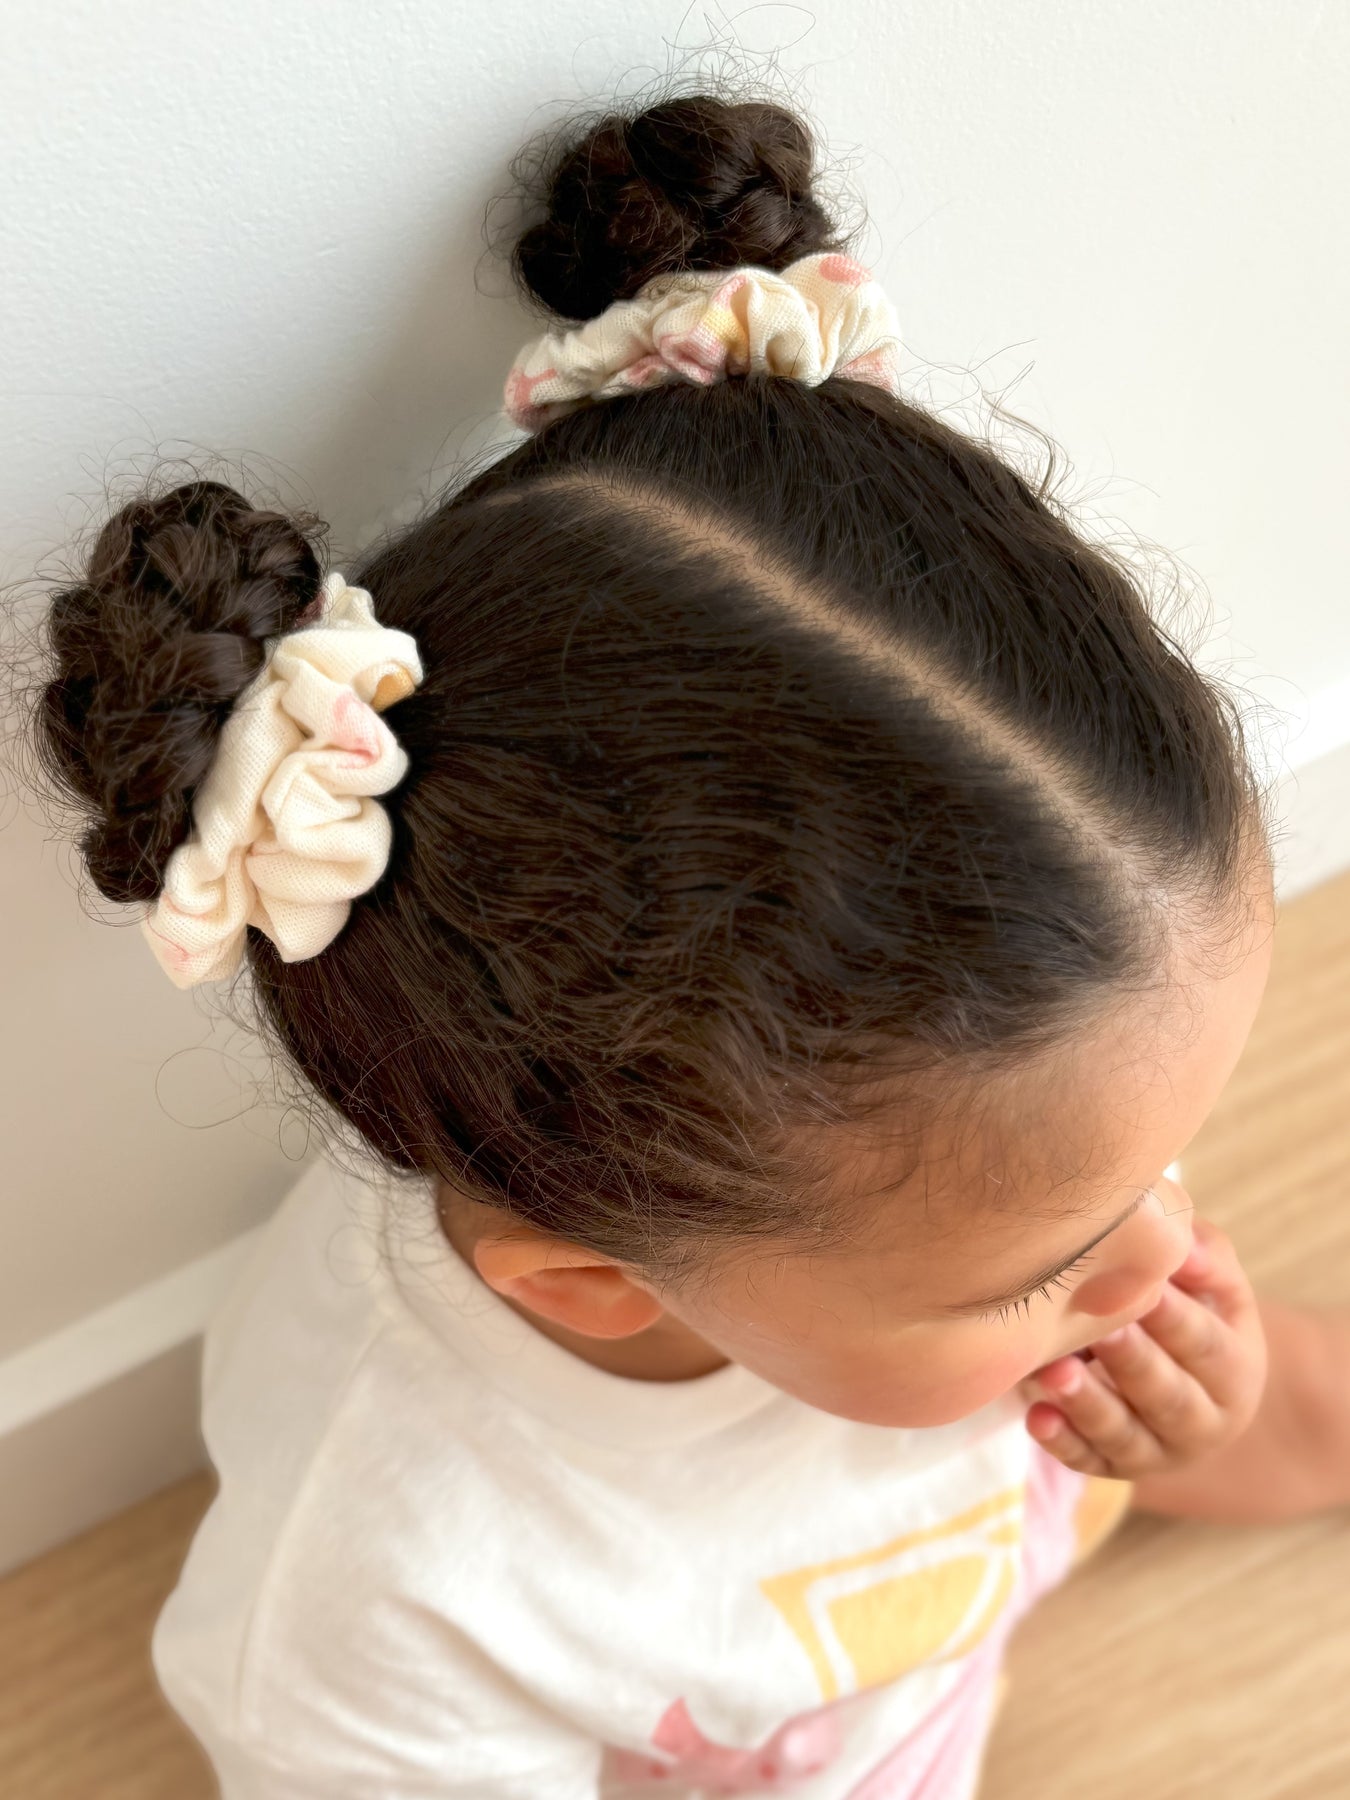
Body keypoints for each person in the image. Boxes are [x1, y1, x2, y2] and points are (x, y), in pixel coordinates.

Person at [26, 87, 1350, 1800]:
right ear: (594, 1284)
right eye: (1039, 1267)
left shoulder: (989, 1181)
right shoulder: (392, 1591)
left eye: (1154, 1162)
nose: (1160, 1248)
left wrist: (1200, 1412)